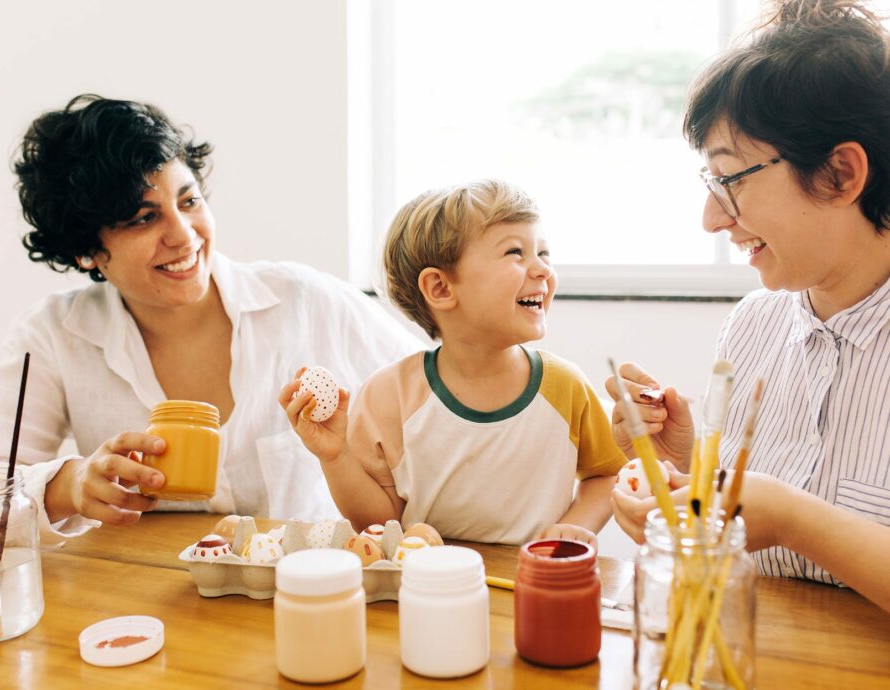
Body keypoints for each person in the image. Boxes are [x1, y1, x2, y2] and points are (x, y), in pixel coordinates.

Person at [0, 94, 424, 540]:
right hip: (145, 597)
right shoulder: (50, 336)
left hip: (308, 588)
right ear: (86, 250)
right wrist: (70, 485)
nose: (183, 235)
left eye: (189, 201)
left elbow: (441, 394)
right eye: (144, 218)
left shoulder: (303, 301)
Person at [607, 0, 890, 608]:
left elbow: (784, 516)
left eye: (730, 179)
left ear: (841, 174)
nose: (712, 219)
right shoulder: (753, 325)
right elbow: (743, 540)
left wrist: (793, 519)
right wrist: (683, 474)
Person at [281, 180, 626, 545]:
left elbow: (606, 474)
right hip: (423, 584)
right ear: (441, 289)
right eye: (515, 252)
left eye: (543, 253)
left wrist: (577, 527)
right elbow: (380, 524)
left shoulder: (565, 387)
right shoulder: (388, 396)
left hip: (531, 585)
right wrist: (336, 457)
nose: (542, 269)